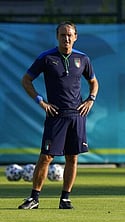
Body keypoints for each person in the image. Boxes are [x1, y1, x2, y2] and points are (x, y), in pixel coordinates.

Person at [18, 21, 99, 209]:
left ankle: (65, 198)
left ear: (76, 37)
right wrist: (41, 101)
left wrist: (90, 99)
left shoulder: (83, 59)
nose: (67, 38)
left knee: (73, 158)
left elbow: (94, 82)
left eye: (70, 35)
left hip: (77, 115)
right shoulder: (46, 58)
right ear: (57, 37)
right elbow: (26, 80)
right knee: (46, 156)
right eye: (63, 35)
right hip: (56, 115)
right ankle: (34, 198)